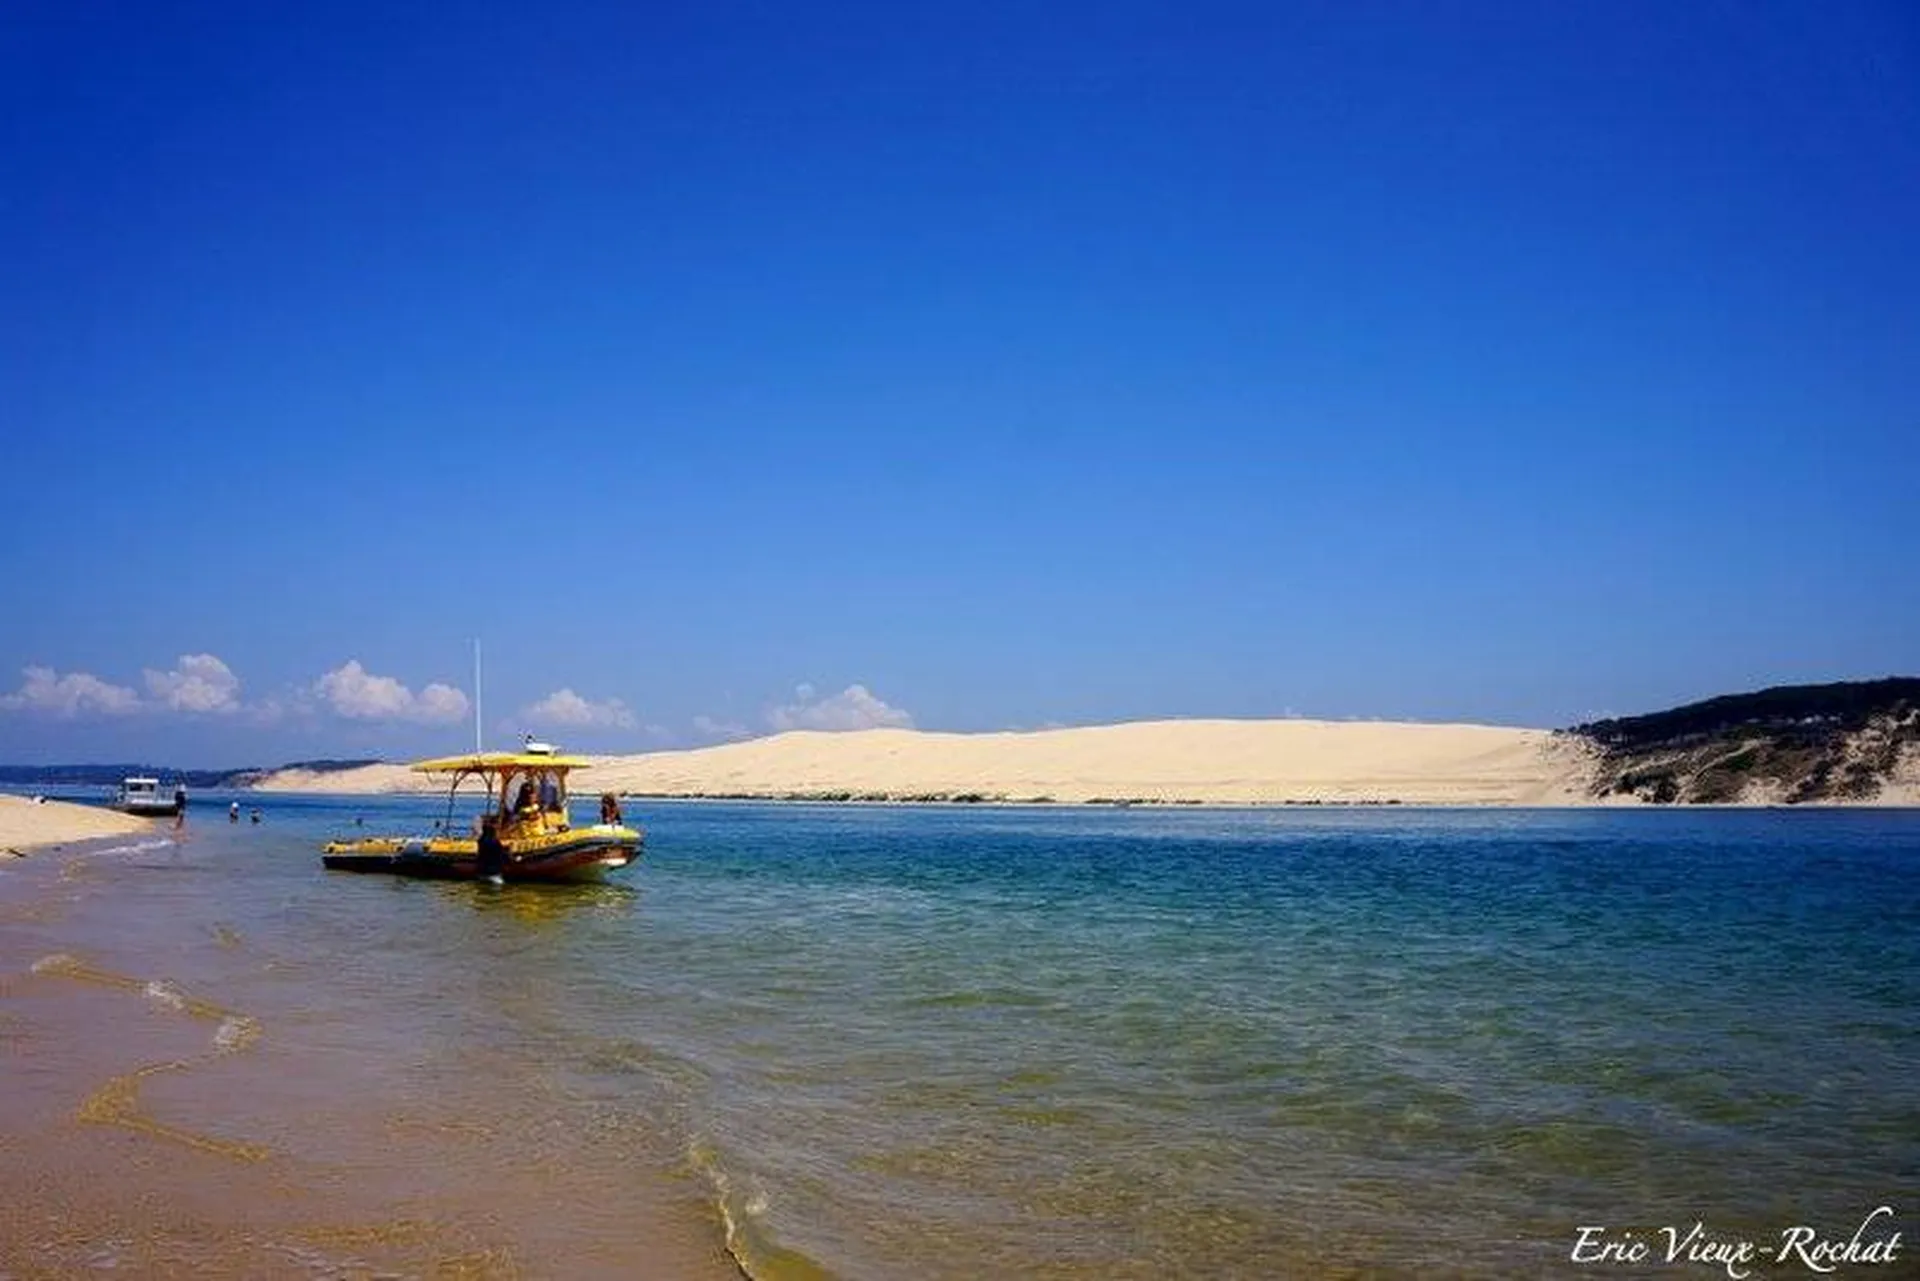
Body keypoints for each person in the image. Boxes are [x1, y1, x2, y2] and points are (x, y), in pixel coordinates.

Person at [476, 814, 508, 885]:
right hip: (494, 873)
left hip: (482, 872)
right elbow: (501, 854)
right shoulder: (495, 842)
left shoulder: (481, 841)